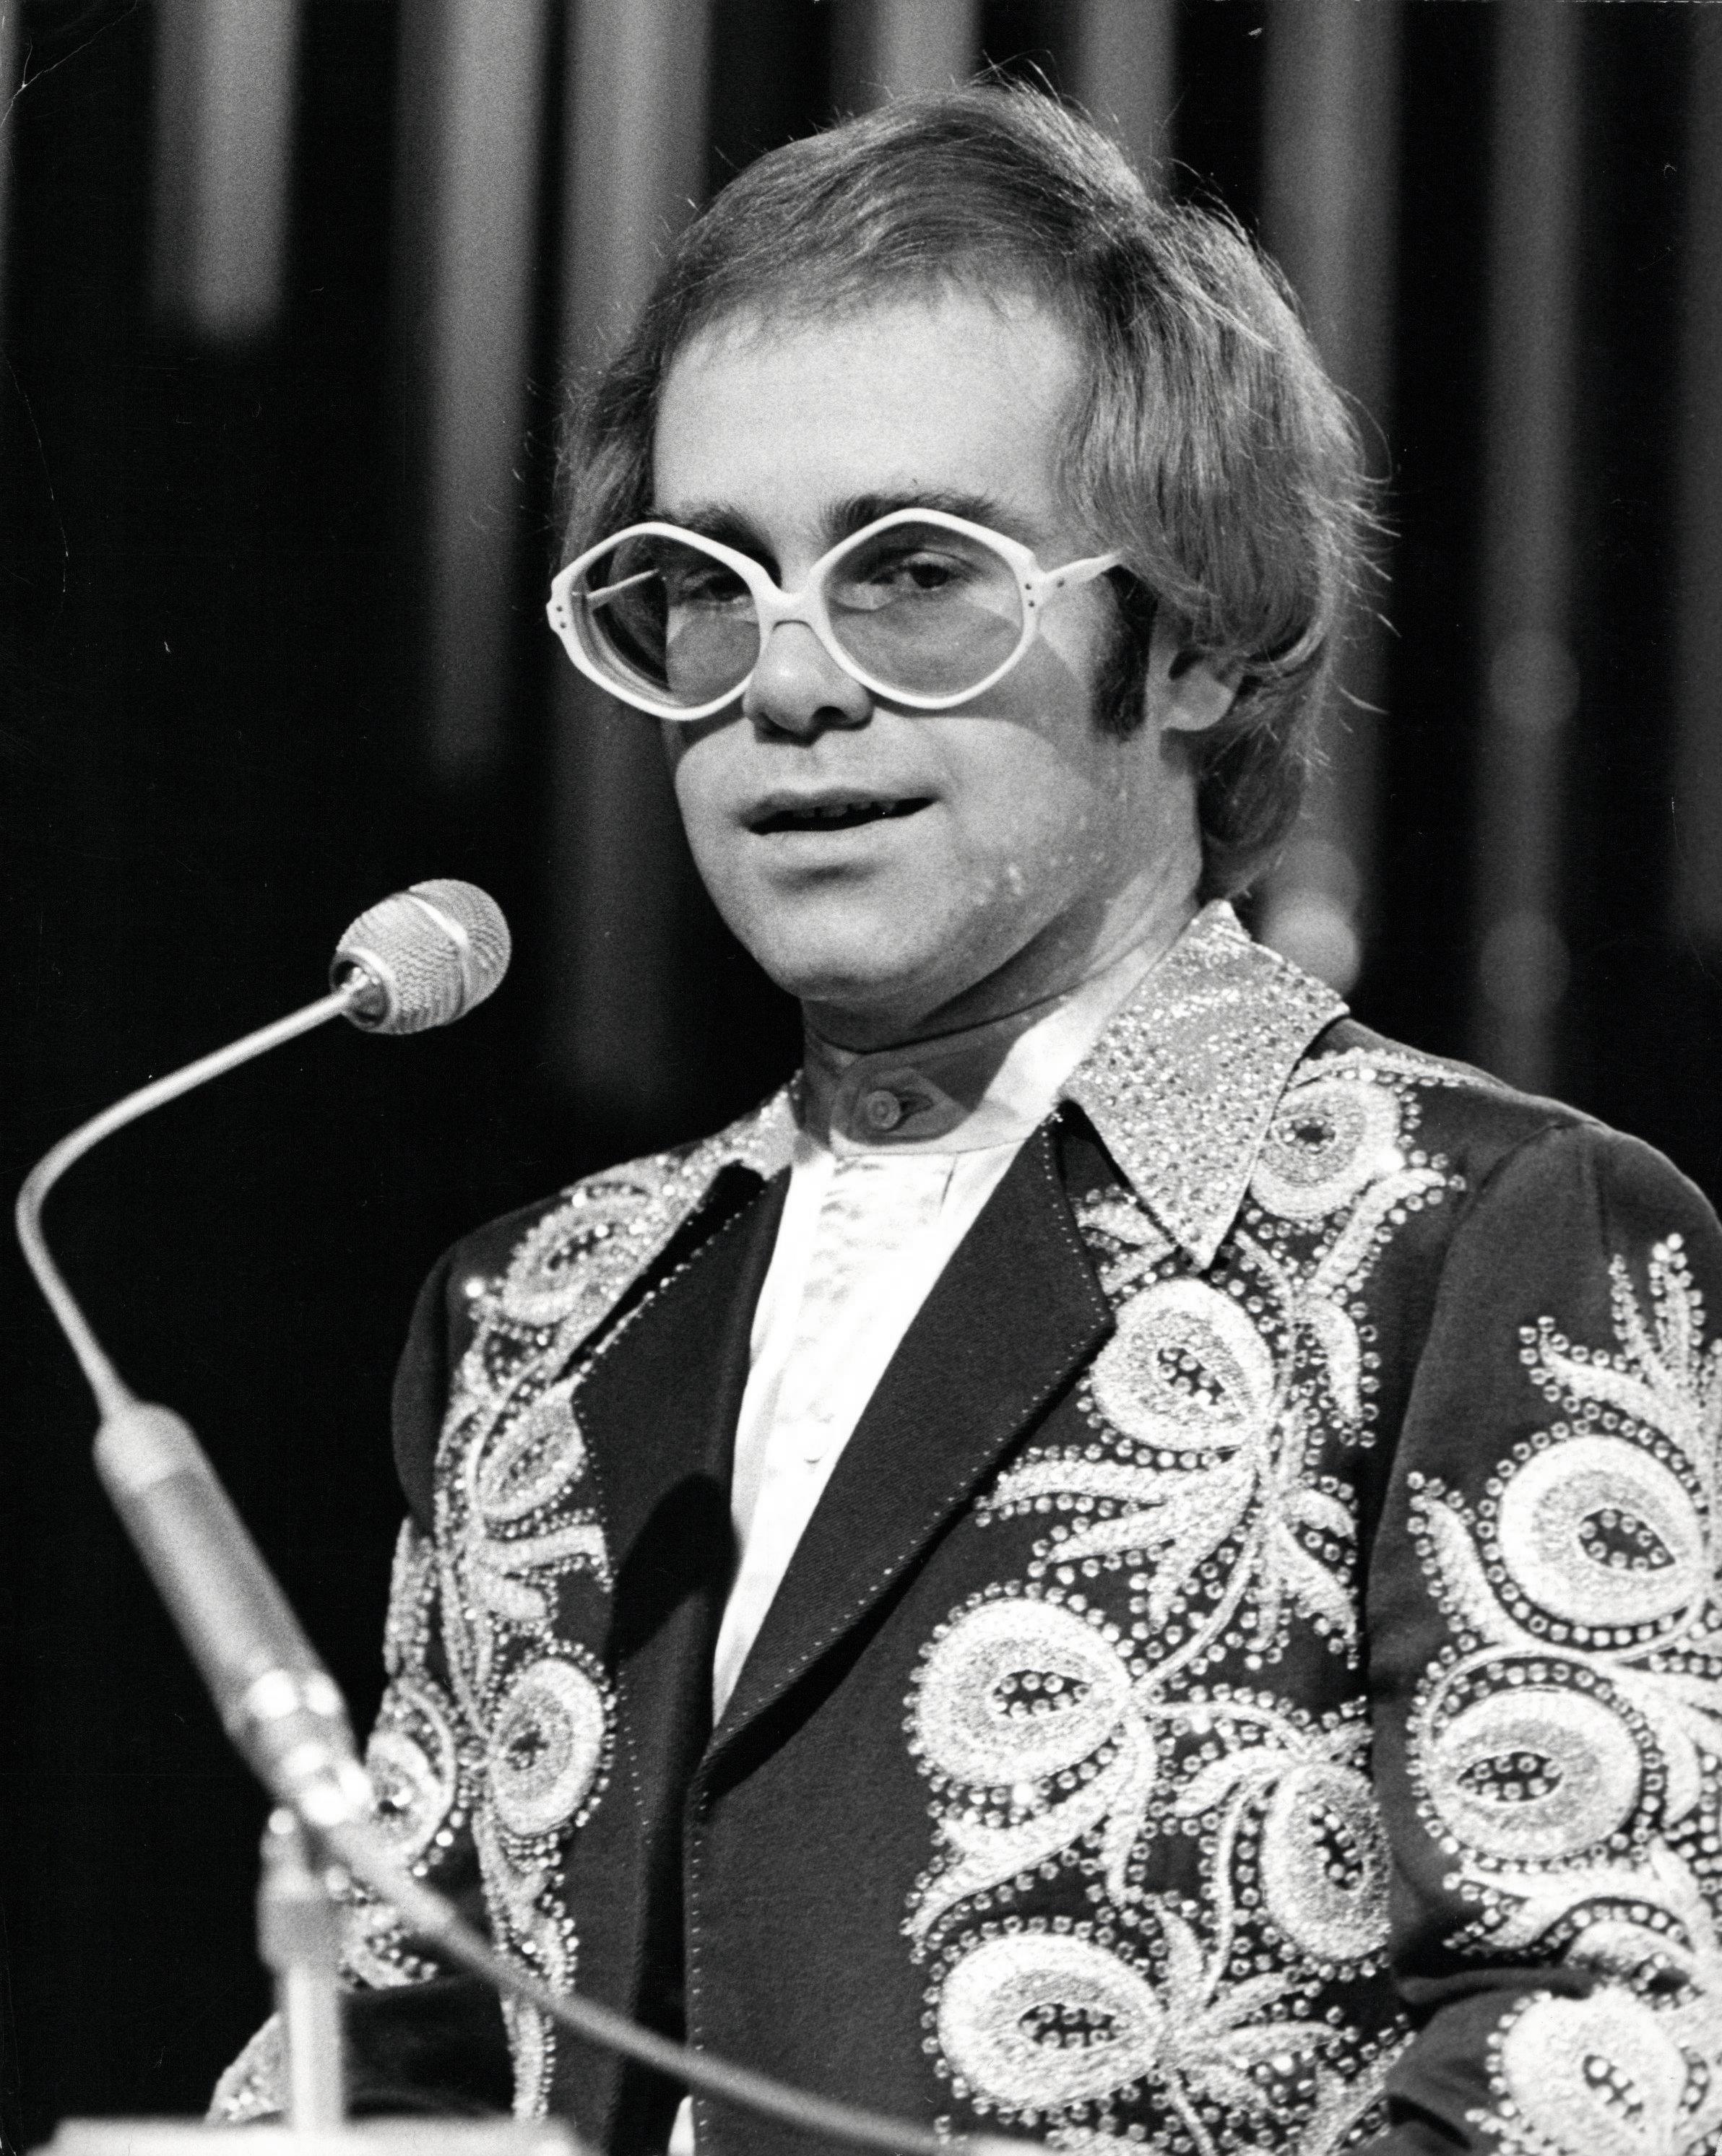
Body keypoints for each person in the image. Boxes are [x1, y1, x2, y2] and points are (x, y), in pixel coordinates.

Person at [215, 84, 1722, 2156]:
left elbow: (1610, 2059)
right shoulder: (535, 1317)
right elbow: (392, 2050)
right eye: (709, 583)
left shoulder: (1477, 1236)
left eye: (916, 570)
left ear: (1192, 632)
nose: (790, 685)